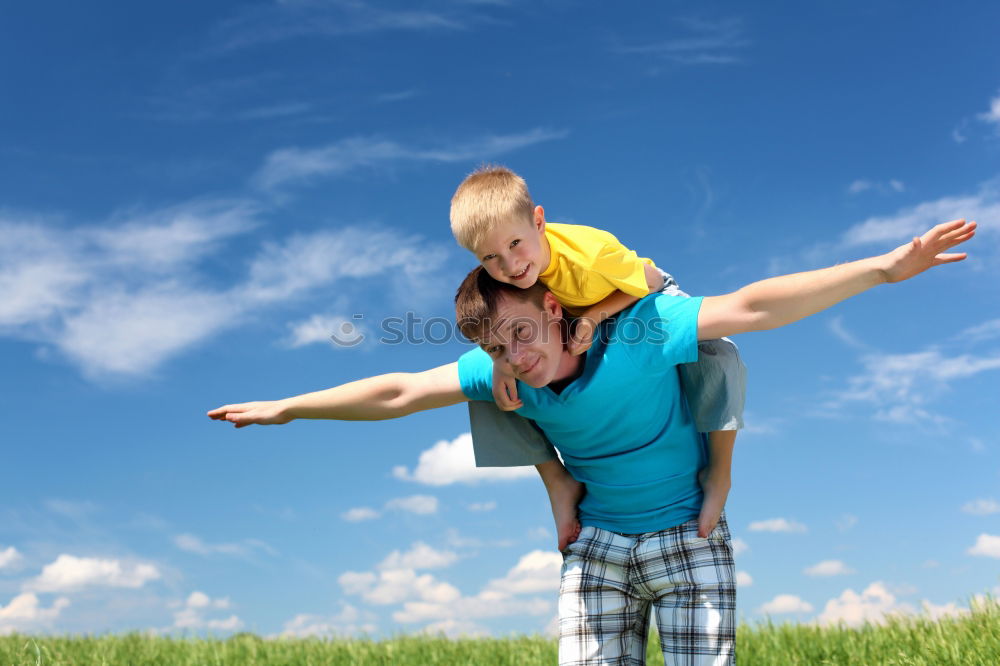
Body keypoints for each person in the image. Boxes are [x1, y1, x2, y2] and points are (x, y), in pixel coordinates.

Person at [208, 218, 973, 665]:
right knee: (481, 398)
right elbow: (400, 390)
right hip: (598, 549)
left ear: (552, 302)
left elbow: (752, 308)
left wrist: (882, 268)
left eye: (520, 333)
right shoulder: (506, 371)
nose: (518, 357)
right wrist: (289, 407)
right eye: (499, 349)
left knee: (715, 353)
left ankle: (713, 479)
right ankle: (558, 487)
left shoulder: (639, 326)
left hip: (687, 536)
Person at [450, 165, 746, 550]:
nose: (509, 266)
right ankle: (557, 482)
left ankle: (719, 470)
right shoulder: (514, 271)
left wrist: (593, 317)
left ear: (538, 221)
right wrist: (499, 361)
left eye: (515, 245)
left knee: (716, 351)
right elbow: (507, 321)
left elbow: (650, 279)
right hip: (579, 314)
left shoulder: (587, 258)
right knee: (494, 390)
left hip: (634, 295)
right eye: (490, 257)